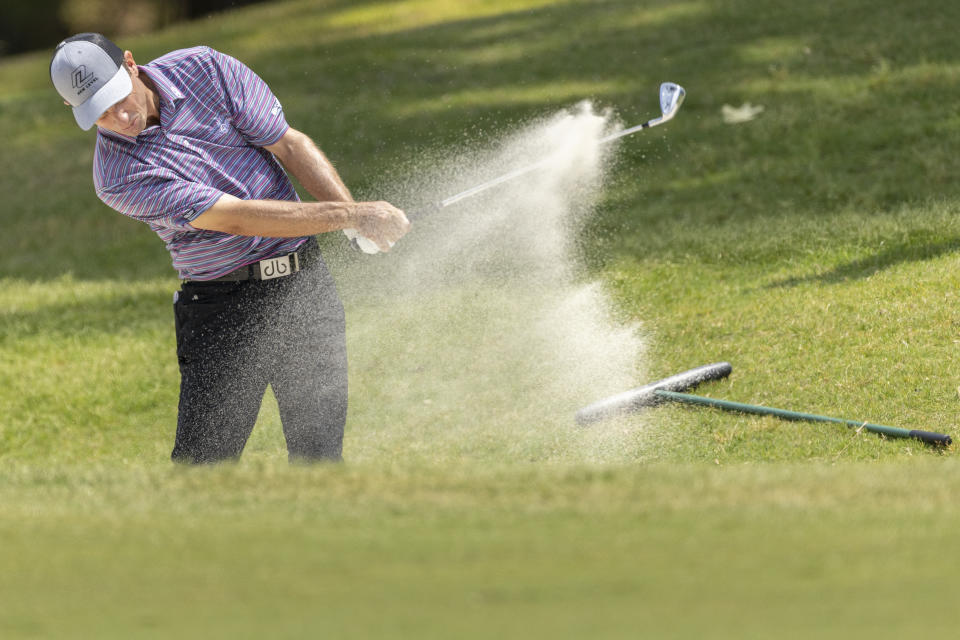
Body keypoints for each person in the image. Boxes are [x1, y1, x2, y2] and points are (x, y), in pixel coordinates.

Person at [49, 33, 410, 464]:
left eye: (119, 97)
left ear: (130, 63)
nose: (121, 116)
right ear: (73, 109)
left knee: (320, 458)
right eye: (100, 114)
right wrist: (353, 216)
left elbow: (287, 143)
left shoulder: (206, 69)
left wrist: (356, 220)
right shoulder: (117, 176)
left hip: (304, 287)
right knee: (205, 467)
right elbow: (236, 217)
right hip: (223, 308)